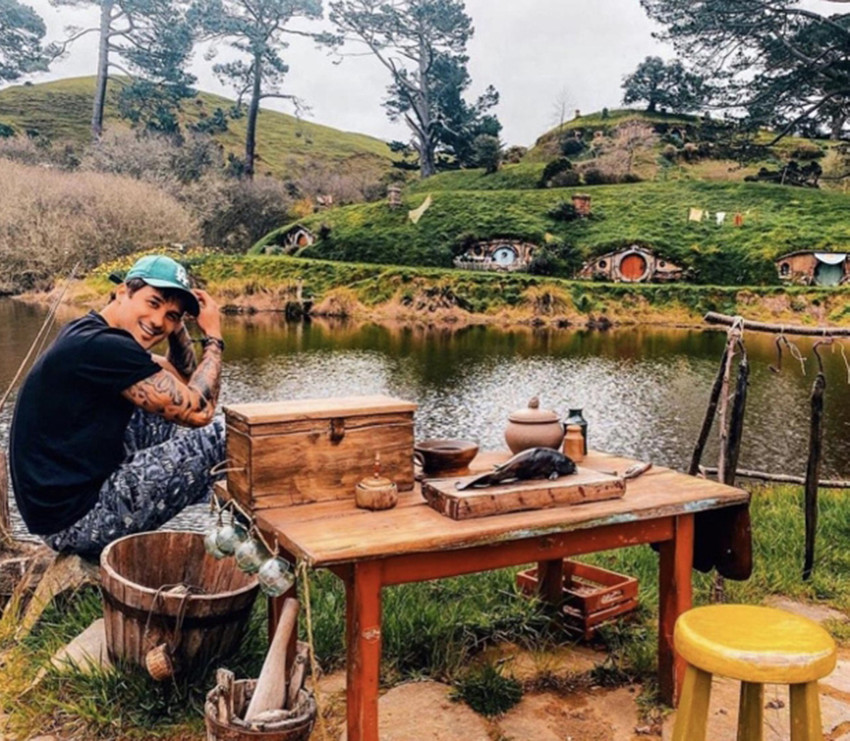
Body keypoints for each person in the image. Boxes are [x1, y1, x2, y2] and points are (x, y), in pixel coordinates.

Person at [9, 254, 226, 557]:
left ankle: (205, 485)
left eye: (171, 315)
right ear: (123, 292)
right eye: (153, 303)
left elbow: (180, 381)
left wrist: (173, 325)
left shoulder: (90, 332)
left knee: (161, 411)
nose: (157, 321)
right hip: (78, 522)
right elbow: (201, 411)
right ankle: (242, 513)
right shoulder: (103, 347)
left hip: (66, 510)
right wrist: (213, 338)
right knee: (225, 433)